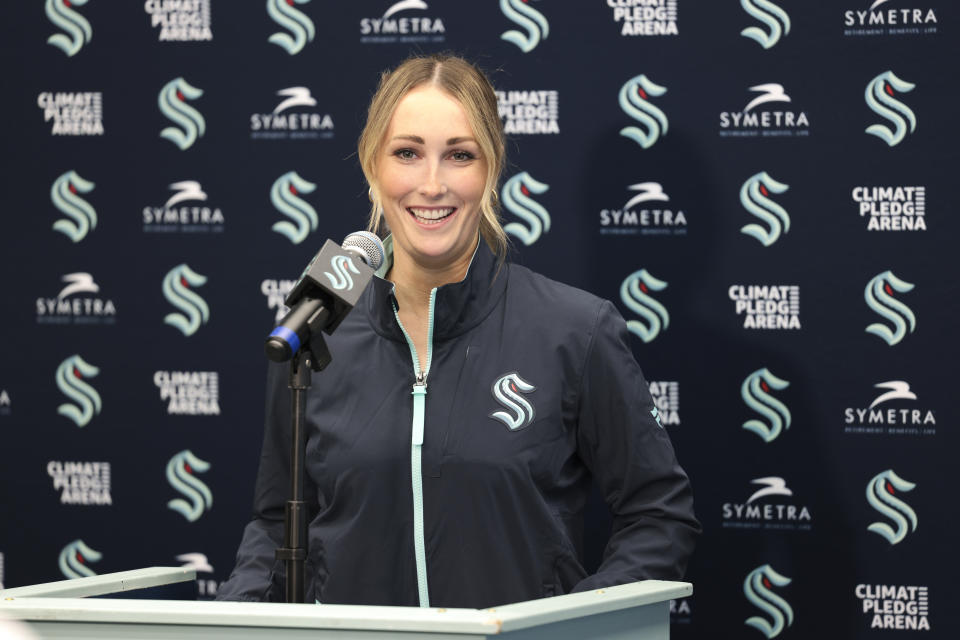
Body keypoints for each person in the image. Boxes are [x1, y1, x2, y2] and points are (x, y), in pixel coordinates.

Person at [217, 53, 700, 608]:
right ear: (373, 166)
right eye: (407, 153)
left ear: (491, 170)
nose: (432, 183)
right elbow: (277, 521)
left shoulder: (575, 331)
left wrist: (570, 624)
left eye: (459, 156)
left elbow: (659, 514)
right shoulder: (318, 321)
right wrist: (239, 615)